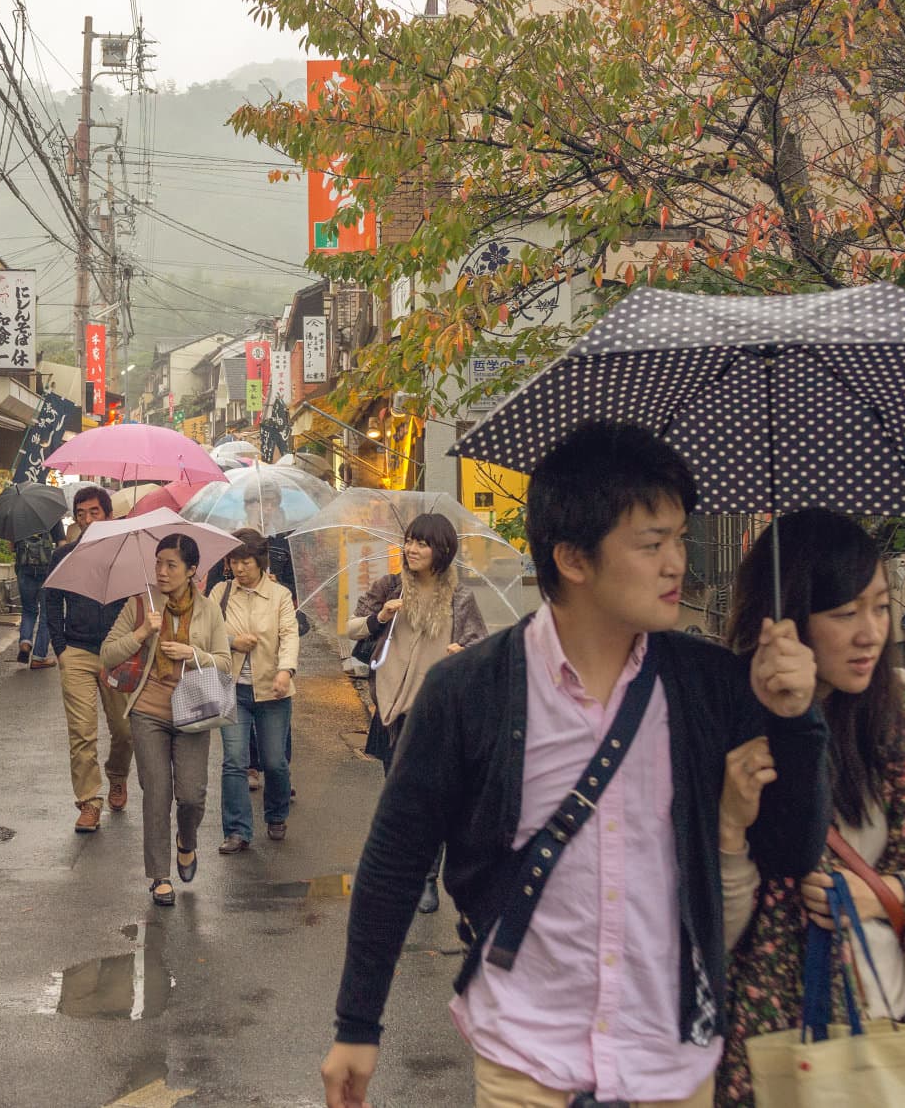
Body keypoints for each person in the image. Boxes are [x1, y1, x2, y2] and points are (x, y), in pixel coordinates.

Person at [321, 423, 831, 1108]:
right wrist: (358, 1024)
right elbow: (394, 858)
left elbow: (792, 852)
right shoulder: (472, 690)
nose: (677, 562)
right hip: (524, 1058)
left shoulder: (712, 686)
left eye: (680, 538)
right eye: (653, 544)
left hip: (671, 1063)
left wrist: (798, 720)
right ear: (573, 558)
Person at [714, 509, 905, 1103]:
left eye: (879, 605)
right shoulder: (729, 726)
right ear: (785, 620)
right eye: (845, 613)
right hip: (769, 1041)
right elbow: (716, 932)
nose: (872, 632)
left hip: (897, 1023)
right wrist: (729, 830)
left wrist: (886, 894)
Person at [345, 512, 487, 914]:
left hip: (438, 712)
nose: (411, 549)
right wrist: (380, 616)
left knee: (432, 800)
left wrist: (464, 653)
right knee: (399, 798)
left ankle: (426, 876)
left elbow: (481, 648)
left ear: (441, 550)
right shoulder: (388, 587)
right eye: (409, 541)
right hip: (391, 709)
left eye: (422, 543)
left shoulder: (460, 598)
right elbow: (352, 627)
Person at [98, 533, 235, 907]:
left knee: (191, 795)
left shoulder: (208, 611)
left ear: (192, 570)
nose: (161, 571)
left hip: (194, 710)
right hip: (149, 712)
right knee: (156, 794)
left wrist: (194, 652)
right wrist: (143, 633)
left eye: (171, 565)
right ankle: (159, 876)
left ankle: (186, 841)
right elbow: (107, 655)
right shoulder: (140, 605)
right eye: (158, 563)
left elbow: (225, 663)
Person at [43, 485, 133, 833]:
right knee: (82, 731)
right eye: (80, 514)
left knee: (125, 731)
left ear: (109, 516)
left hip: (117, 651)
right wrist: (61, 648)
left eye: (94, 512)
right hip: (78, 651)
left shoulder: (125, 555)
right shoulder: (64, 556)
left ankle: (118, 775)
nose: (87, 519)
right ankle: (89, 801)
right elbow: (50, 602)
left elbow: (138, 603)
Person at [212, 529, 300, 853]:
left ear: (259, 561)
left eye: (246, 561)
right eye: (234, 561)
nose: (239, 568)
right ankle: (237, 830)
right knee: (234, 760)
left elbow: (290, 635)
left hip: (273, 691)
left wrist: (285, 671)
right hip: (233, 689)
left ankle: (276, 814)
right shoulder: (220, 593)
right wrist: (232, 641)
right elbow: (206, 632)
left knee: (275, 761)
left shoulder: (278, 595)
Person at [13, 520, 63, 669]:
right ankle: (39, 657)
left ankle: (25, 642)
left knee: (29, 610)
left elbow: (11, 547)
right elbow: (62, 544)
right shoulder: (52, 515)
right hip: (46, 570)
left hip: (25, 570)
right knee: (46, 614)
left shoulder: (18, 516)